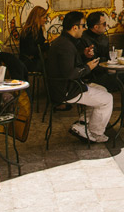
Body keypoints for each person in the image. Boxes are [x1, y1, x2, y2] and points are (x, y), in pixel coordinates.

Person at [45, 12, 113, 143]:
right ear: (74, 28)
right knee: (107, 99)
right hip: (67, 90)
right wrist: (88, 67)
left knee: (102, 90)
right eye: (82, 26)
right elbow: (70, 73)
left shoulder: (64, 42)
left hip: (67, 86)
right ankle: (95, 132)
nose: (84, 29)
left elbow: (69, 64)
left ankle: (83, 123)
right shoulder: (65, 46)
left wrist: (84, 55)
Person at [81, 11, 124, 130]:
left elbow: (106, 58)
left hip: (106, 71)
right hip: (93, 77)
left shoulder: (103, 37)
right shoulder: (84, 39)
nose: (106, 26)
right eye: (104, 24)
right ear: (95, 27)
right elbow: (91, 61)